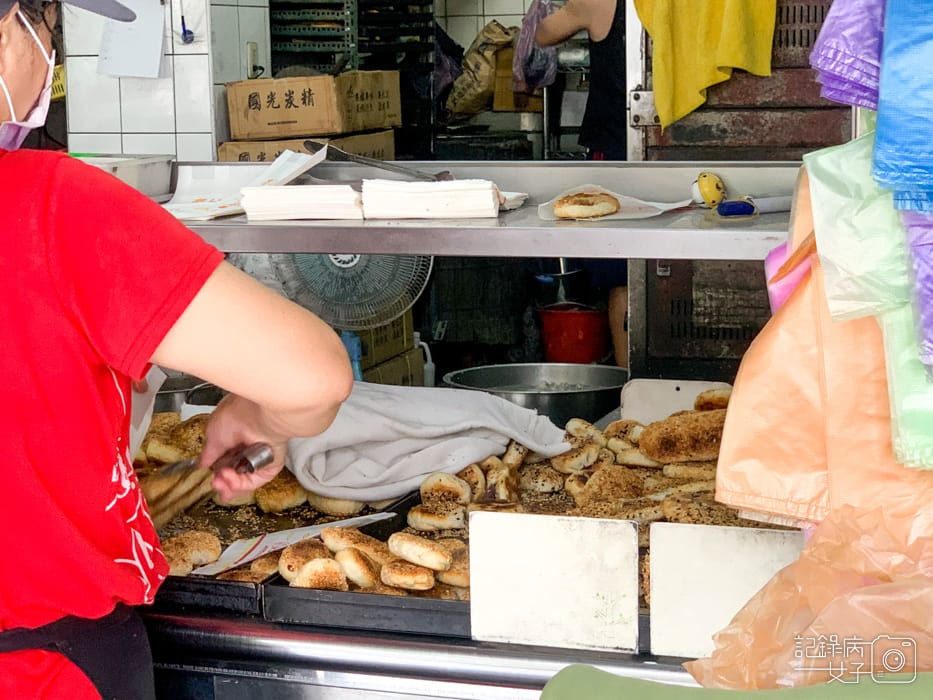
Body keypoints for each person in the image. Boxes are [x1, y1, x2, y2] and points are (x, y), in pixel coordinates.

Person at [0, 1, 355, 697]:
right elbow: (313, 378)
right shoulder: (50, 206)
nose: (52, 56)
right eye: (48, 27)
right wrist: (260, 419)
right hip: (39, 667)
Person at [535, 0, 628, 367]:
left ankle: (629, 389)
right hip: (668, 142)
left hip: (614, 150)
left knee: (623, 278)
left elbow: (543, 33)